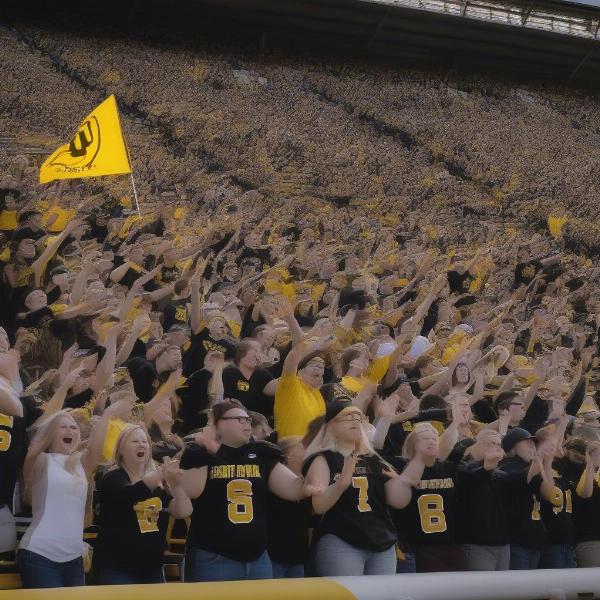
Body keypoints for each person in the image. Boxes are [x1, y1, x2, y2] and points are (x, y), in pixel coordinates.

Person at [180, 399, 318, 582]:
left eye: (247, 419)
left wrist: (307, 484)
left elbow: (293, 488)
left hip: (258, 558)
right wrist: (207, 450)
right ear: (218, 423)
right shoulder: (198, 452)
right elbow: (192, 491)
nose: (247, 423)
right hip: (214, 556)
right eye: (239, 419)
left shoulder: (260, 454)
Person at [303, 401, 416, 576]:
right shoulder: (324, 459)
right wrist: (340, 485)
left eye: (358, 417)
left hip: (382, 540)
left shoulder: (374, 460)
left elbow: (398, 501)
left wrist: (405, 481)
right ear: (331, 426)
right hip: (342, 539)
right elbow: (319, 507)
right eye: (348, 417)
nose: (355, 421)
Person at [17, 409, 110, 588]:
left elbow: (97, 449)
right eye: (63, 427)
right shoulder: (41, 460)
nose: (70, 431)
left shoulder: (81, 463)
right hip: (39, 555)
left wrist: (107, 416)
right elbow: (33, 446)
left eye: (74, 428)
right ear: (51, 434)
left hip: (74, 559)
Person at [93, 425, 193, 584]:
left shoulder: (156, 482)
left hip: (151, 567)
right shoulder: (113, 477)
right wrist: (162, 472)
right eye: (135, 441)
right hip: (117, 568)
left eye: (145, 441)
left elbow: (183, 511)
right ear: (121, 450)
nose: (141, 445)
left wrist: (176, 485)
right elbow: (132, 495)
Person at [492, 427, 560, 570]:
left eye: (533, 444)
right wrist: (540, 458)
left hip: (533, 541)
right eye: (527, 442)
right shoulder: (506, 467)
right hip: (517, 541)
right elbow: (525, 477)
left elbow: (551, 495)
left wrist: (547, 461)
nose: (532, 446)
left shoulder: (532, 467)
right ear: (512, 447)